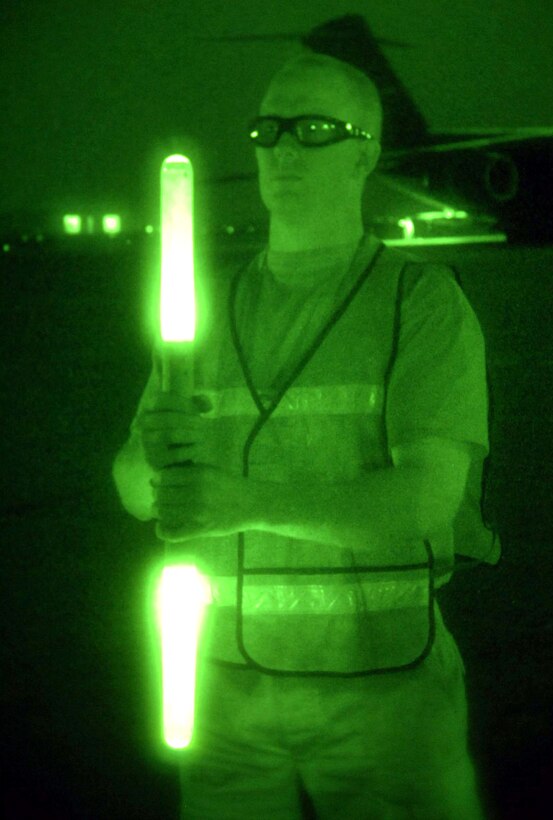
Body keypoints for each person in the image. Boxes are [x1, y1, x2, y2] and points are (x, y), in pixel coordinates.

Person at [113, 52, 491, 820]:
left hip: (386, 691)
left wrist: (238, 504)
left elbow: (424, 501)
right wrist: (153, 463)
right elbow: (130, 486)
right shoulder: (202, 308)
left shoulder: (417, 302)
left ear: (365, 155)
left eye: (314, 128)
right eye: (267, 128)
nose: (283, 148)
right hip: (223, 693)